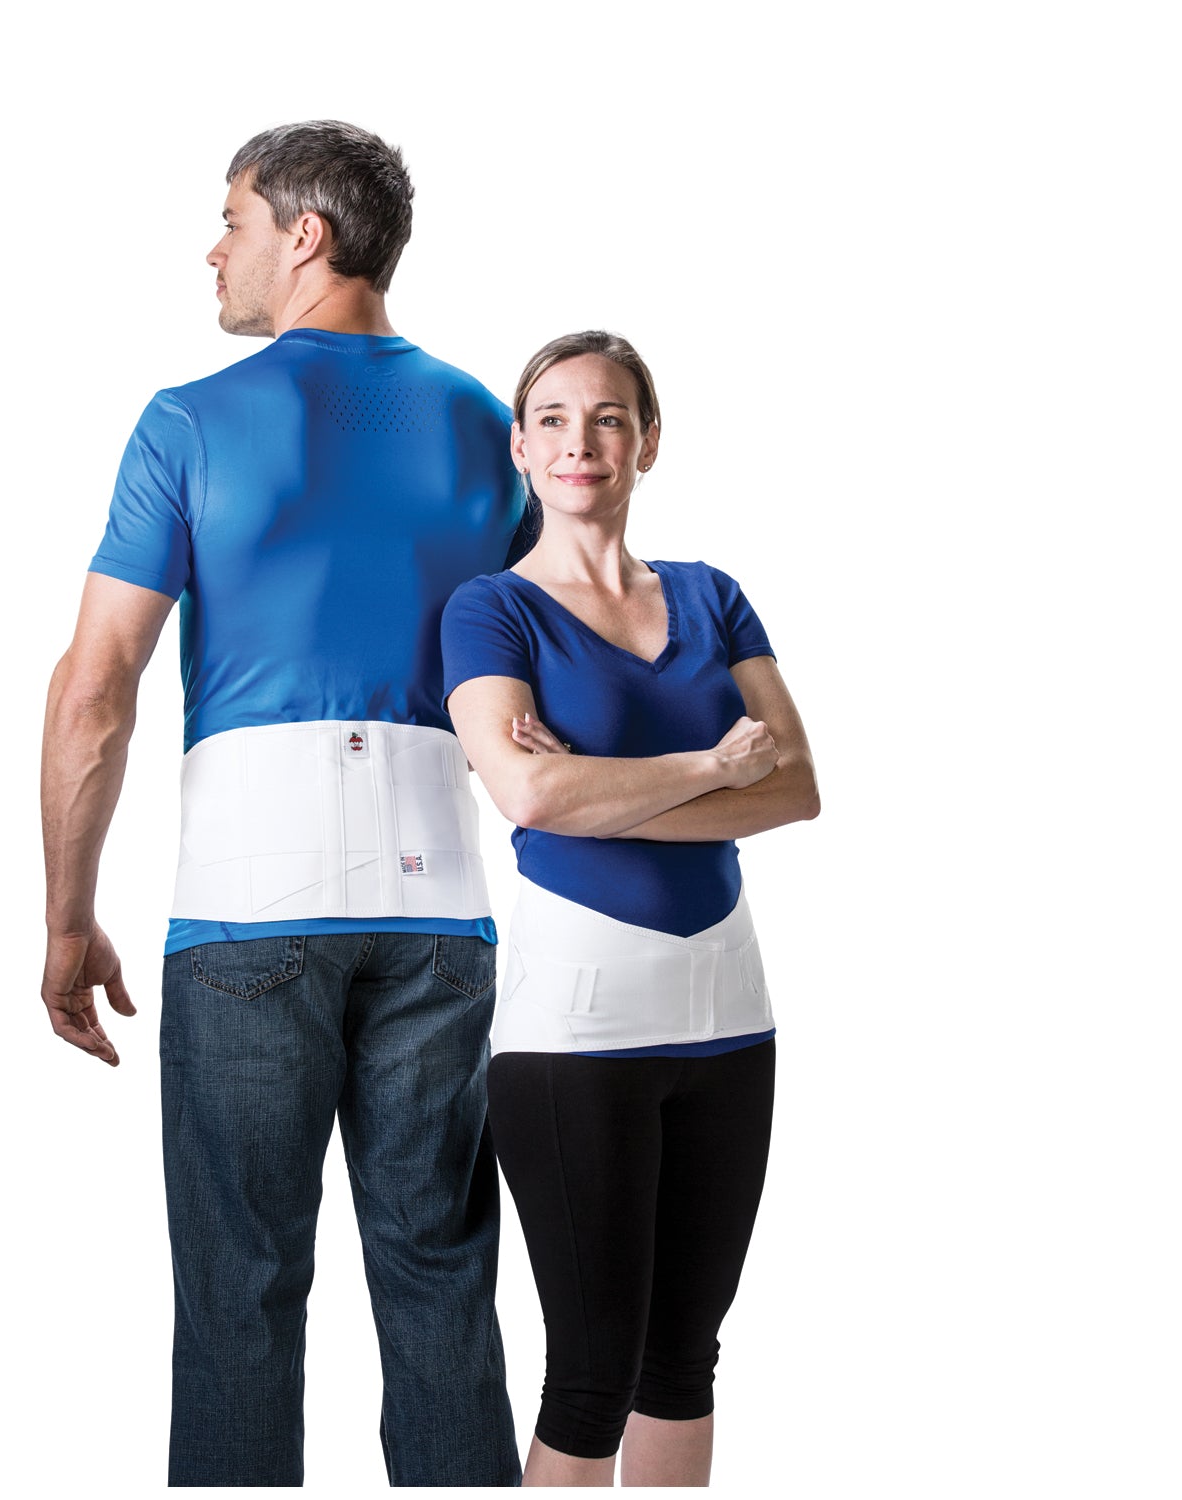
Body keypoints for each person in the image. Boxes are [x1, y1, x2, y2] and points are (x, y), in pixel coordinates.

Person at [39, 121, 528, 1488]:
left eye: (234, 220)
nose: (215, 250)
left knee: (238, 1302)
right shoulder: (491, 428)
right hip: (441, 908)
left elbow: (95, 689)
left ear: (304, 235)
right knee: (443, 1290)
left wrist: (69, 918)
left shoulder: (192, 422)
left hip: (249, 909)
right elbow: (550, 669)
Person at [441, 331, 820, 1487]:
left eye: (608, 418)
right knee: (592, 1374)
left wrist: (600, 794)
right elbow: (529, 794)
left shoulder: (713, 595)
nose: (581, 442)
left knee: (683, 1365)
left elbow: (796, 788)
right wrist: (712, 768)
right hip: (577, 1031)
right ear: (520, 447)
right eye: (553, 419)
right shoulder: (491, 610)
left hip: (730, 1016)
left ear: (647, 442)